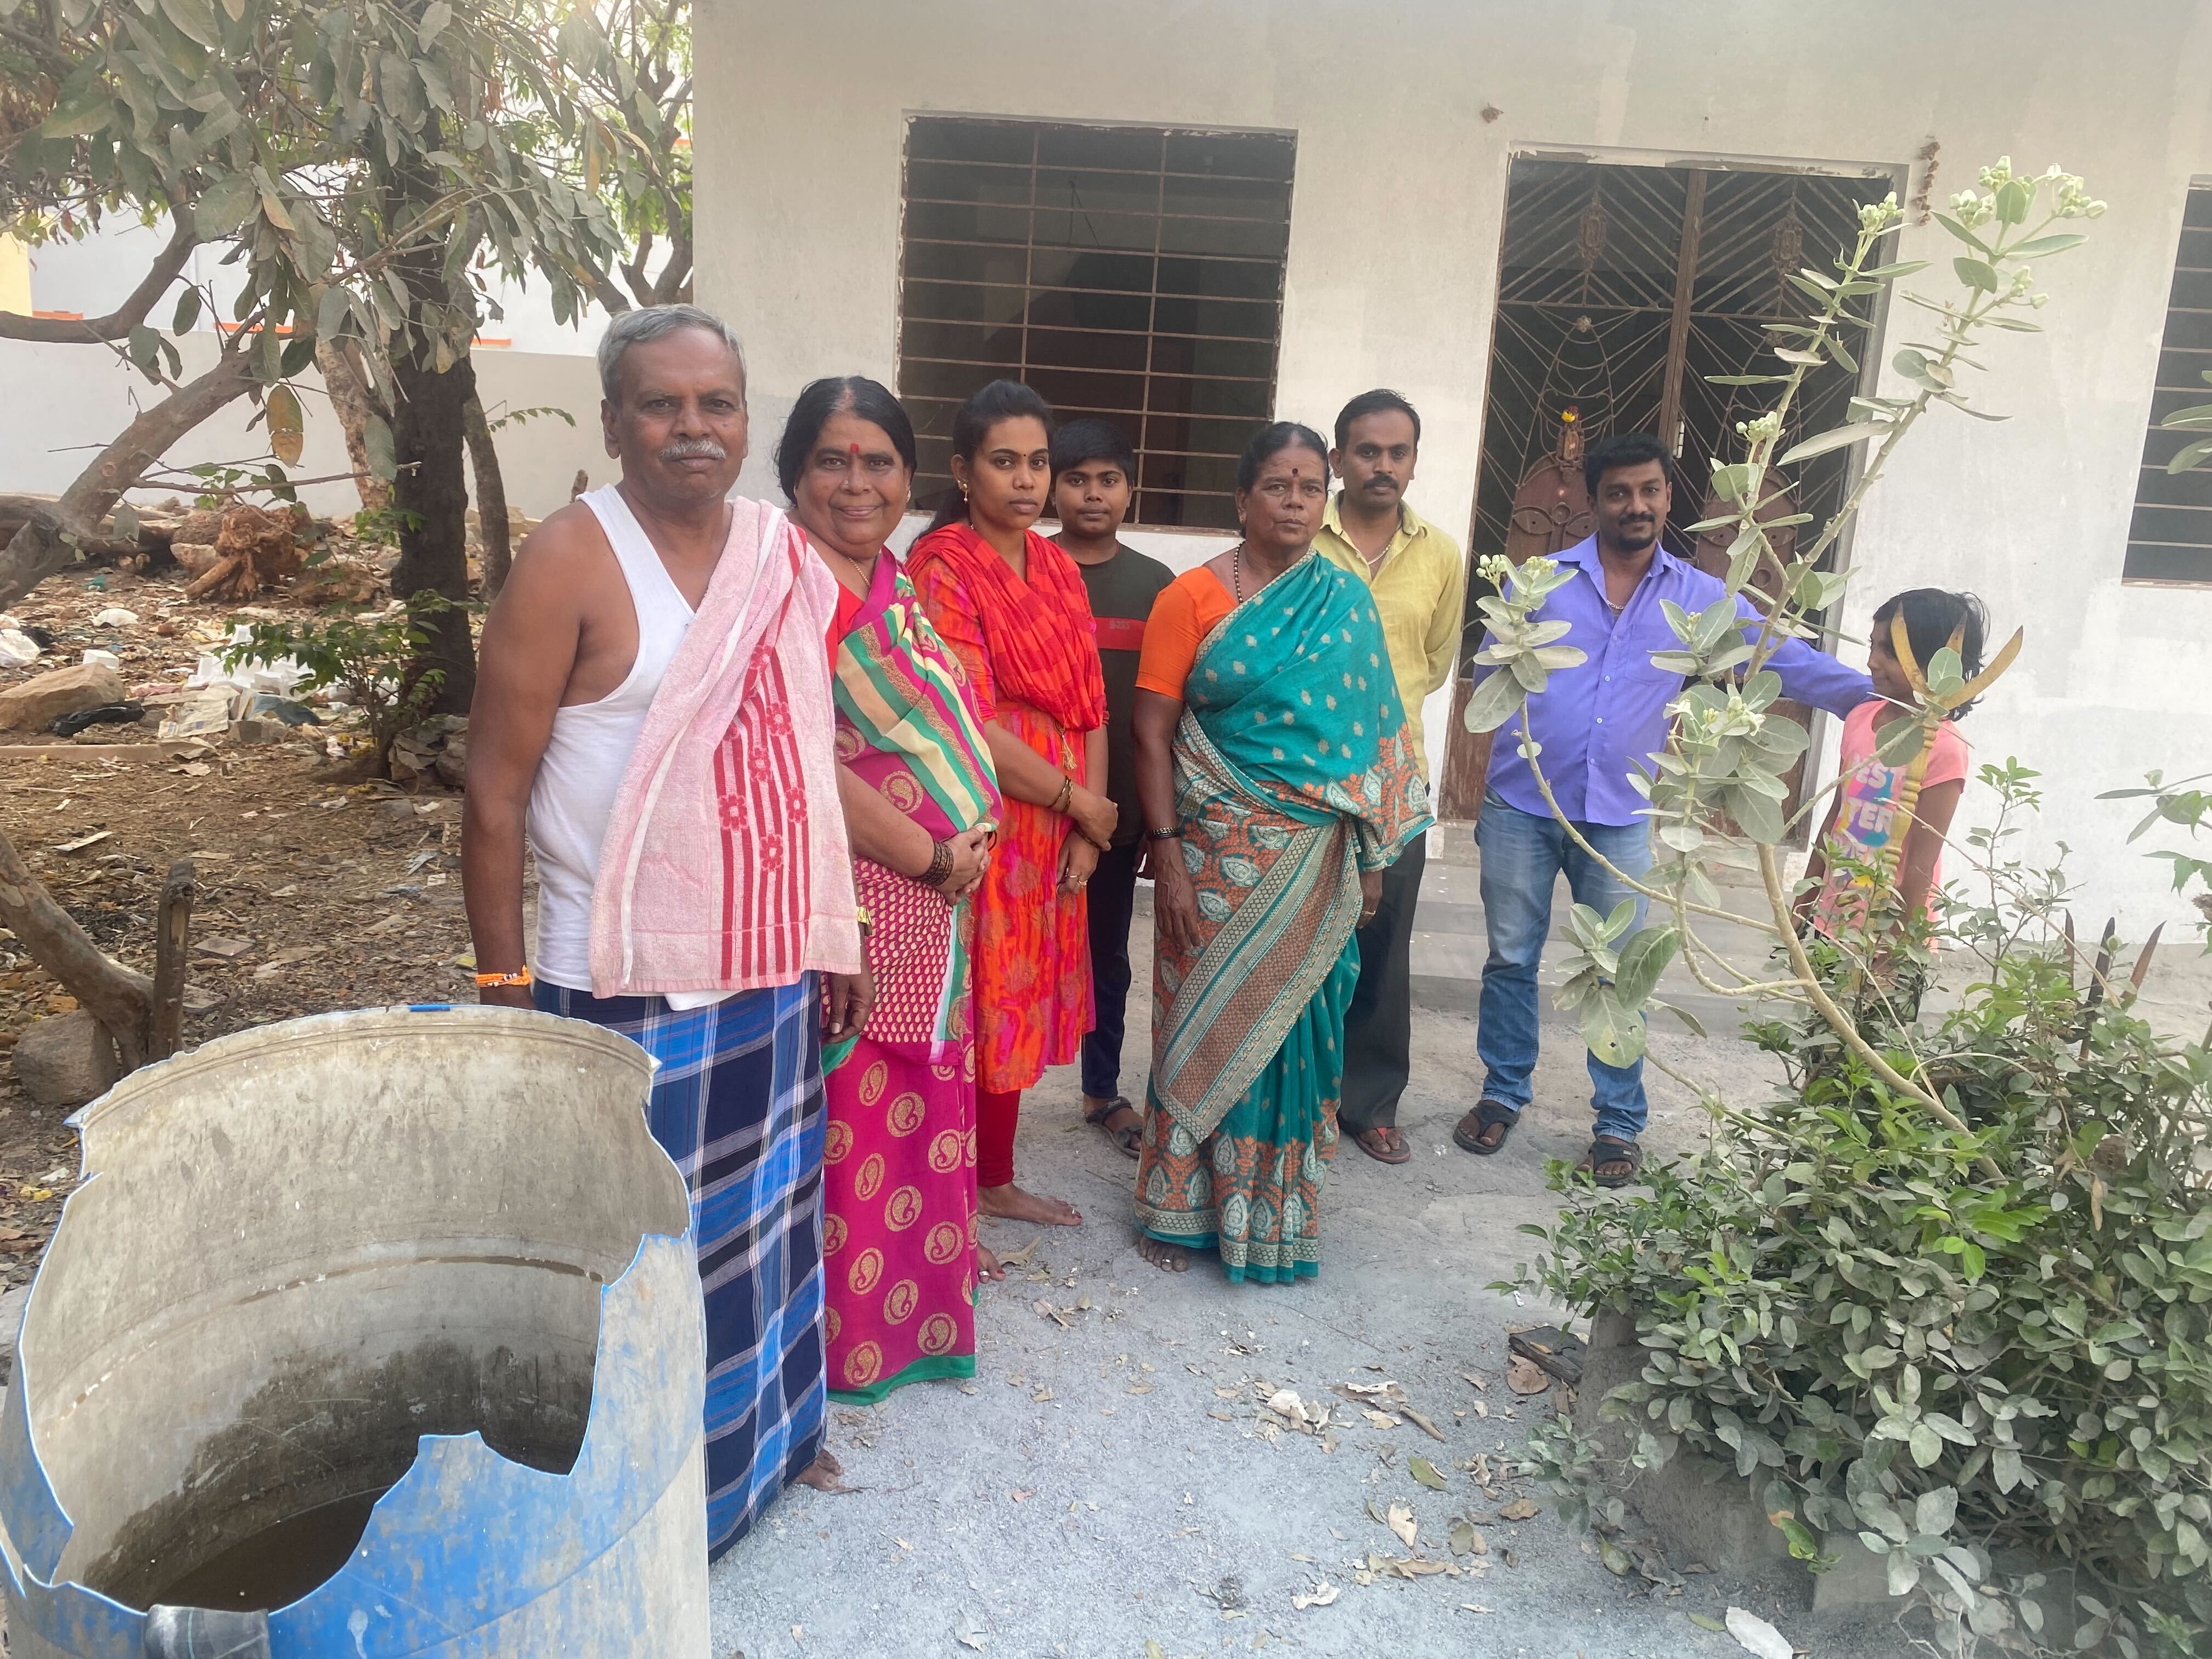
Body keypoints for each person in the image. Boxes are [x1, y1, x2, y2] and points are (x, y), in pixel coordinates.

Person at [461, 304, 868, 1559]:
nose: (694, 429)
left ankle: (770, 1448)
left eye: (719, 404)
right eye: (663, 404)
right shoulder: (572, 561)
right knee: (633, 1267)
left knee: (763, 1236)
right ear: (614, 421)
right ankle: (638, 1518)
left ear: (748, 418)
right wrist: (503, 983)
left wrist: (834, 932)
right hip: (618, 982)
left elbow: (804, 760)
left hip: (764, 966)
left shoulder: (776, 553)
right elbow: (492, 789)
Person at [1452, 431, 1872, 1188]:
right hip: (1523, 804)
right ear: (1595, 501)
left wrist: (1876, 698)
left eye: (1649, 491)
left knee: (1621, 974)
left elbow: (1784, 659)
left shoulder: (1701, 601)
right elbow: (1490, 677)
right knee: (1511, 957)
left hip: (1622, 818)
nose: (1635, 505)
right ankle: (1502, 1090)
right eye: (1619, 493)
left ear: (1668, 499)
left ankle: (1617, 1124)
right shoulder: (1538, 583)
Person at [1129, 422, 1431, 1280]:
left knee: (1297, 1022)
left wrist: (1374, 860)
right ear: (1242, 498)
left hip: (1314, 853)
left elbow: (1378, 737)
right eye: (1277, 485)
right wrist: (1171, 855)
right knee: (1198, 1017)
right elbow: (1151, 732)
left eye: (1309, 487)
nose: (1295, 501)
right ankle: (1178, 1204)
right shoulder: (1190, 597)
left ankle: (1274, 1210)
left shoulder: (1343, 602)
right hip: (1214, 848)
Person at [775, 375, 1008, 1403]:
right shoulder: (787, 585)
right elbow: (805, 755)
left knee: (917, 1102)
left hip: (934, 901)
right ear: (794, 473)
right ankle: (842, 1339)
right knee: (845, 1117)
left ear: (909, 480)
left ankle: (915, 1307)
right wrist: (926, 855)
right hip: (849, 897)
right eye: (832, 459)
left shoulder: (892, 584)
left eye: (877, 462)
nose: (855, 481)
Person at [907, 381, 1112, 1229]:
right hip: (984, 817)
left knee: (1019, 1002)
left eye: (1038, 464)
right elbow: (971, 720)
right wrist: (1076, 800)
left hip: (1058, 823)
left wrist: (1090, 821)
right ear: (962, 470)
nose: (1027, 482)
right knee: (974, 1003)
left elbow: (1089, 703)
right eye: (1004, 463)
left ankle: (993, 1177)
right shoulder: (942, 566)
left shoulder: (1059, 565)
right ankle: (948, 1195)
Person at [1313, 390, 1467, 1166]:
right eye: (1366, 451)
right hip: (1300, 781)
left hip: (1394, 787)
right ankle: (1299, 1098)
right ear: (1338, 457)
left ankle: (1370, 1102)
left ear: (1412, 462)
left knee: (1383, 947)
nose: (1382, 465)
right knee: (1298, 942)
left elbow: (1433, 665)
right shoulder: (1304, 536)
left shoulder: (1440, 553)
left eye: (1397, 452)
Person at [1049, 419, 1173, 1160]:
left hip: (1117, 815)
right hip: (1024, 806)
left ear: (1131, 489)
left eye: (1107, 480)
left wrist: (1162, 824)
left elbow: (1170, 710)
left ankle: (1102, 1090)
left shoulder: (1157, 586)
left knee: (1108, 955)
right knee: (1003, 954)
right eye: (1076, 479)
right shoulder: (1026, 568)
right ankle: (982, 1091)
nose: (1092, 495)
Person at [1798, 588, 1984, 946]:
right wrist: (1803, 904)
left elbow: (1920, 865)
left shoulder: (1944, 748)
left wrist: (1900, 955)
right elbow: (1837, 816)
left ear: (1932, 663)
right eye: (1872, 645)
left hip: (1888, 936)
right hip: (1832, 923)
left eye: (1890, 652)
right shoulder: (1860, 719)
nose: (1872, 661)